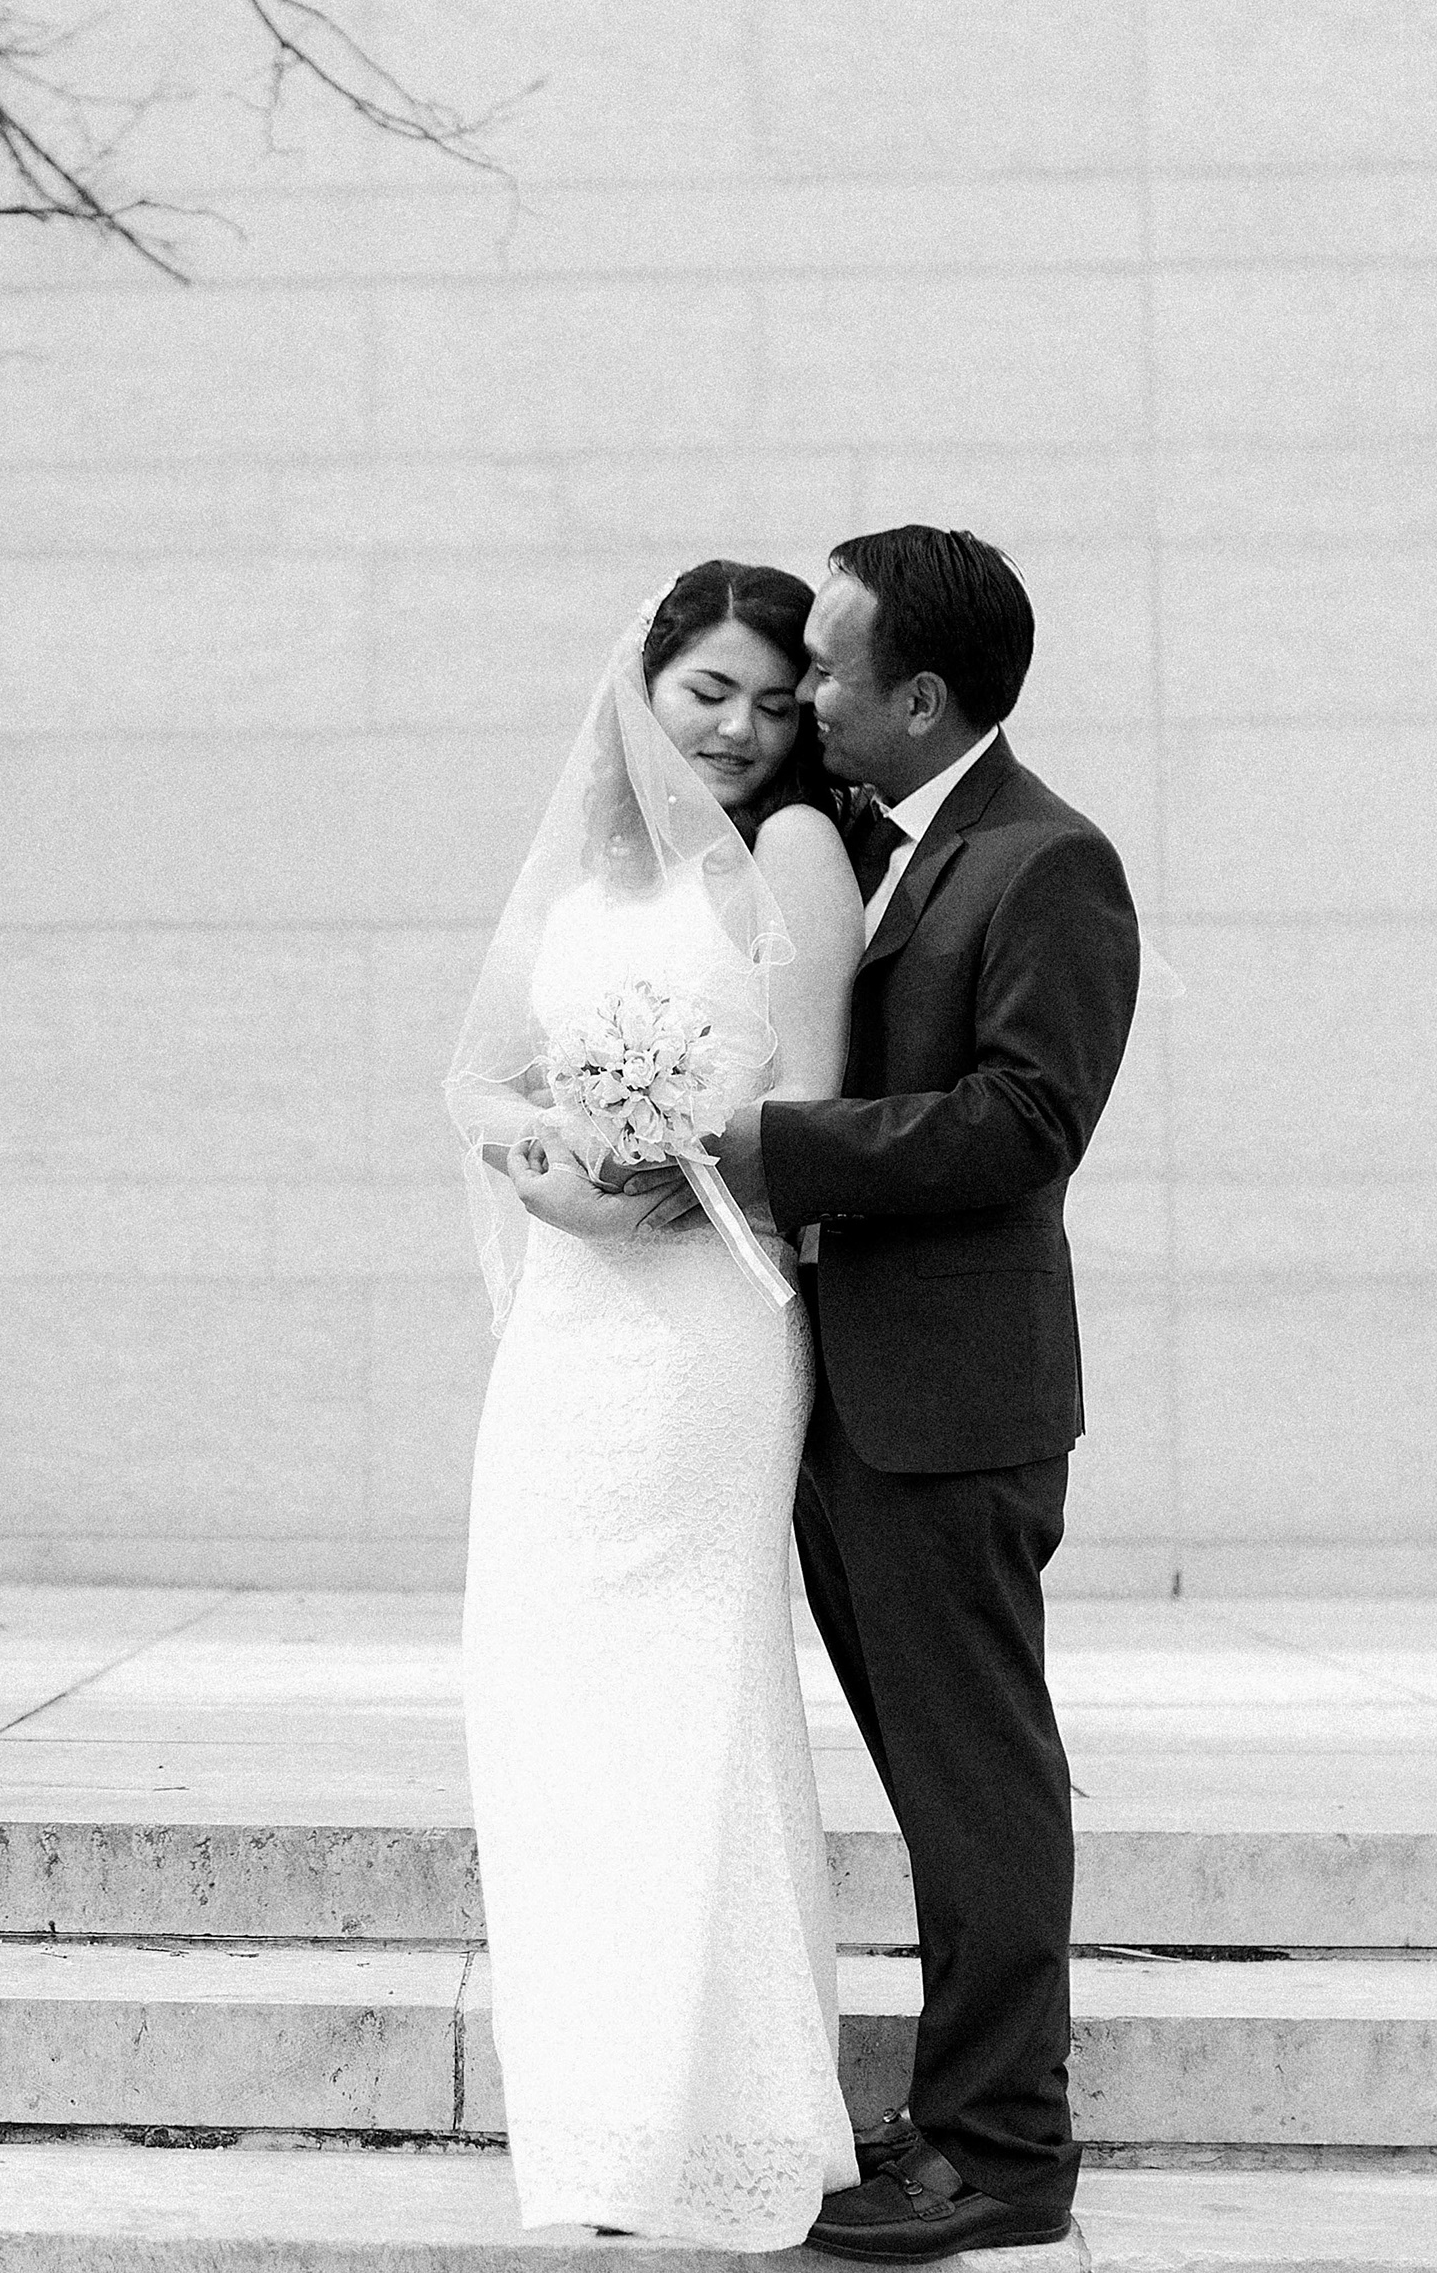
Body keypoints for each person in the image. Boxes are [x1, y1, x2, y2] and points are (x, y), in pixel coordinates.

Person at [705, 524, 1141, 2263]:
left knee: (980, 1788)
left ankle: (1005, 2154)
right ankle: (959, 2114)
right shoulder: (870, 841)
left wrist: (775, 1146)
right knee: (937, 1786)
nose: (804, 693)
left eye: (830, 669)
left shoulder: (1048, 863)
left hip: (955, 1413)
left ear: (923, 698)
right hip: (855, 1408)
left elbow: (1029, 1121)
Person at [443, 559, 868, 2251]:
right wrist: (552, 1158)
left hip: (708, 1328)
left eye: (775, 700)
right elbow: (476, 1078)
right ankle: (594, 2123)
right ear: (644, 683)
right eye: (712, 691)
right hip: (566, 1334)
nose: (745, 729)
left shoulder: (796, 849)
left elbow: (816, 1105)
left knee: (689, 1698)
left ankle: (726, 2118)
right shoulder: (580, 874)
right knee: (548, 1696)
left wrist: (674, 1175)